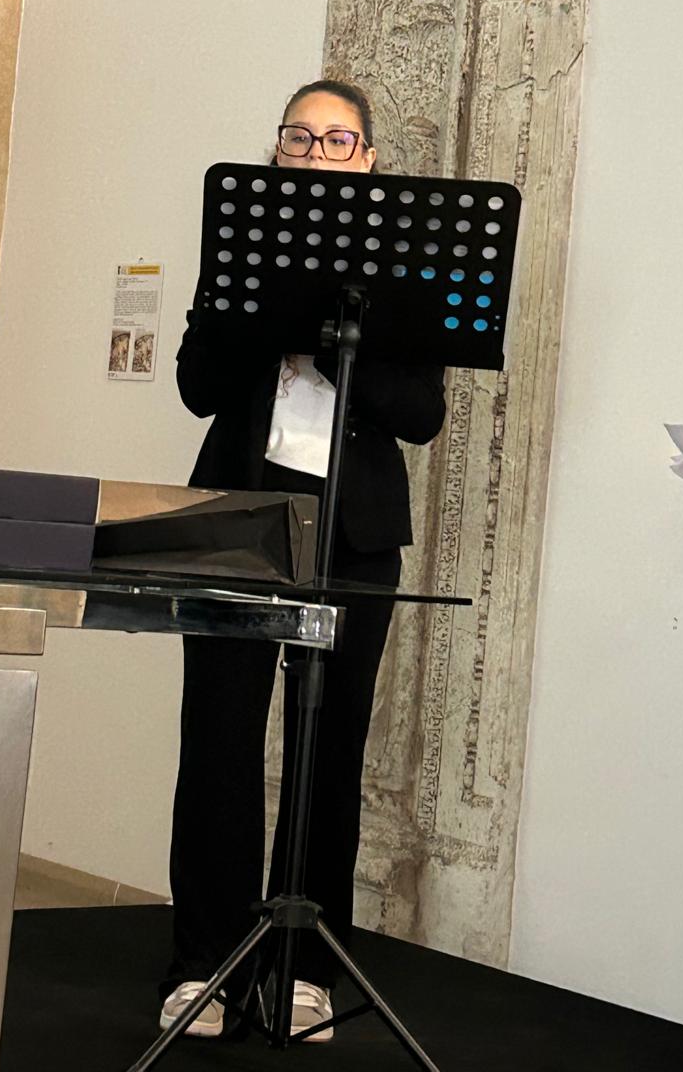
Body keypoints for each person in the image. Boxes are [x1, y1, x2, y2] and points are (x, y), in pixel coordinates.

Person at [159, 79, 447, 1043]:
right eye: (299, 137)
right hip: (238, 520)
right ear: (277, 151)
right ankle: (202, 965)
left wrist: (339, 346)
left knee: (329, 750)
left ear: (368, 159)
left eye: (337, 140)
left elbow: (422, 414)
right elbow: (198, 385)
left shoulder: (405, 266)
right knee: (219, 743)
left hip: (355, 531)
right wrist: (268, 321)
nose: (316, 153)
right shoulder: (237, 248)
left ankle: (305, 973)